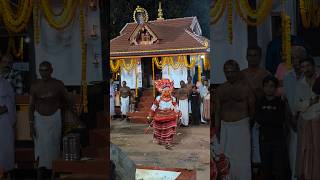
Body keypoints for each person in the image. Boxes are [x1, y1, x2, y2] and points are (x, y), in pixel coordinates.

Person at [215, 60, 255, 180]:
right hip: (225, 127)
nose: (230, 74)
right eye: (227, 72)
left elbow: (252, 109)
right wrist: (218, 129)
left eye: (232, 72)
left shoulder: (246, 88)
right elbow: (217, 111)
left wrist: (247, 125)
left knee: (242, 160)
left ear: (238, 72)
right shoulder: (221, 89)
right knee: (225, 158)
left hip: (241, 126)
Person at [29, 61, 68, 179]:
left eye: (46, 70)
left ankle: (54, 174)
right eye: (41, 70)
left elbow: (66, 100)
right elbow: (31, 107)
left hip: (55, 118)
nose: (43, 73)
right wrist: (31, 124)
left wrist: (66, 117)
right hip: (39, 120)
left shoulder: (58, 85)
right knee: (40, 149)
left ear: (51, 70)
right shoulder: (35, 86)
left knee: (54, 146)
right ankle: (39, 175)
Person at [255, 76, 290, 180]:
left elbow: (280, 120)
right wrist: (269, 119)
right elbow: (259, 119)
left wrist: (267, 120)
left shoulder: (281, 102)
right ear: (263, 87)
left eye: (271, 86)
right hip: (264, 139)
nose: (268, 88)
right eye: (266, 86)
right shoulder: (260, 102)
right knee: (266, 169)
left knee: (280, 169)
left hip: (278, 140)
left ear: (275, 88)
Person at [293, 57, 320, 180]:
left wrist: (307, 104)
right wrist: (311, 101)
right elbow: (297, 105)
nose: (306, 69)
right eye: (303, 67)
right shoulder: (299, 84)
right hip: (305, 121)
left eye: (308, 66)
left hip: (318, 119)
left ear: (314, 66)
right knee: (306, 150)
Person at [283, 45, 306, 180]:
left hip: (308, 122)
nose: (295, 61)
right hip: (293, 124)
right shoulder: (287, 76)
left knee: (308, 158)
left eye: (298, 58)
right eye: (292, 58)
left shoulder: (311, 76)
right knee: (293, 158)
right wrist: (290, 120)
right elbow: (286, 100)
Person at [149, 79, 181, 149]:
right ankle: (160, 140)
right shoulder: (158, 98)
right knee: (160, 129)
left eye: (168, 90)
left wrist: (178, 114)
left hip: (170, 116)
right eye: (165, 90)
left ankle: (168, 142)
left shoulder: (173, 99)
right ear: (161, 90)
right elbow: (154, 107)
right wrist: (150, 115)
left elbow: (176, 107)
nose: (166, 91)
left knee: (169, 129)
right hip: (160, 116)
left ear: (170, 90)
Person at [0, 77, 16, 178]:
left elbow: (11, 101)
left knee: (5, 148)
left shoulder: (6, 84)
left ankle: (6, 173)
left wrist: (5, 108)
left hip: (4, 120)